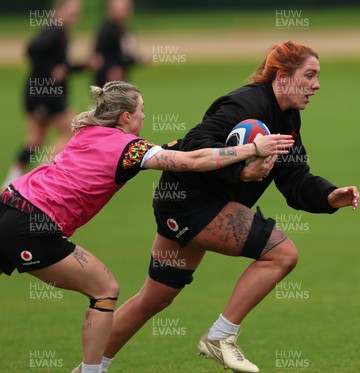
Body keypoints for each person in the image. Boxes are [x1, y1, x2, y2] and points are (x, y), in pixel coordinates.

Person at [100, 41, 360, 373]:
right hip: (189, 202)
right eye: (309, 75)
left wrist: (329, 196)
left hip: (190, 203)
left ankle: (91, 367)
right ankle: (221, 337)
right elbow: (196, 145)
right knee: (281, 253)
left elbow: (294, 178)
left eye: (317, 77)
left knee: (156, 296)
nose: (316, 85)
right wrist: (241, 169)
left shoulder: (287, 118)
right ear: (282, 76)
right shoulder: (245, 102)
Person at [0, 81, 293, 373]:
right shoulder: (129, 149)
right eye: (142, 110)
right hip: (33, 223)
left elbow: (164, 152)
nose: (145, 116)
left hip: (9, 203)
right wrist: (251, 149)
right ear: (126, 117)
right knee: (105, 290)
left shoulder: (86, 133)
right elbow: (190, 163)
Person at [2, 0, 84, 189]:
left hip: (36, 93)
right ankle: (44, 173)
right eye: (71, 11)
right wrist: (51, 71)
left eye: (77, 12)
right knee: (73, 128)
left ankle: (9, 182)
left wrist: (82, 65)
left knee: (35, 140)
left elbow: (61, 67)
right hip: (44, 96)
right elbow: (32, 49)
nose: (74, 16)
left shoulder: (61, 33)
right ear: (59, 10)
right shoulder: (54, 31)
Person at [91, 0, 143, 87]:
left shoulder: (123, 28)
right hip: (108, 84)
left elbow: (125, 55)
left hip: (121, 82)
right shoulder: (106, 29)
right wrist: (111, 70)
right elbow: (97, 59)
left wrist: (136, 59)